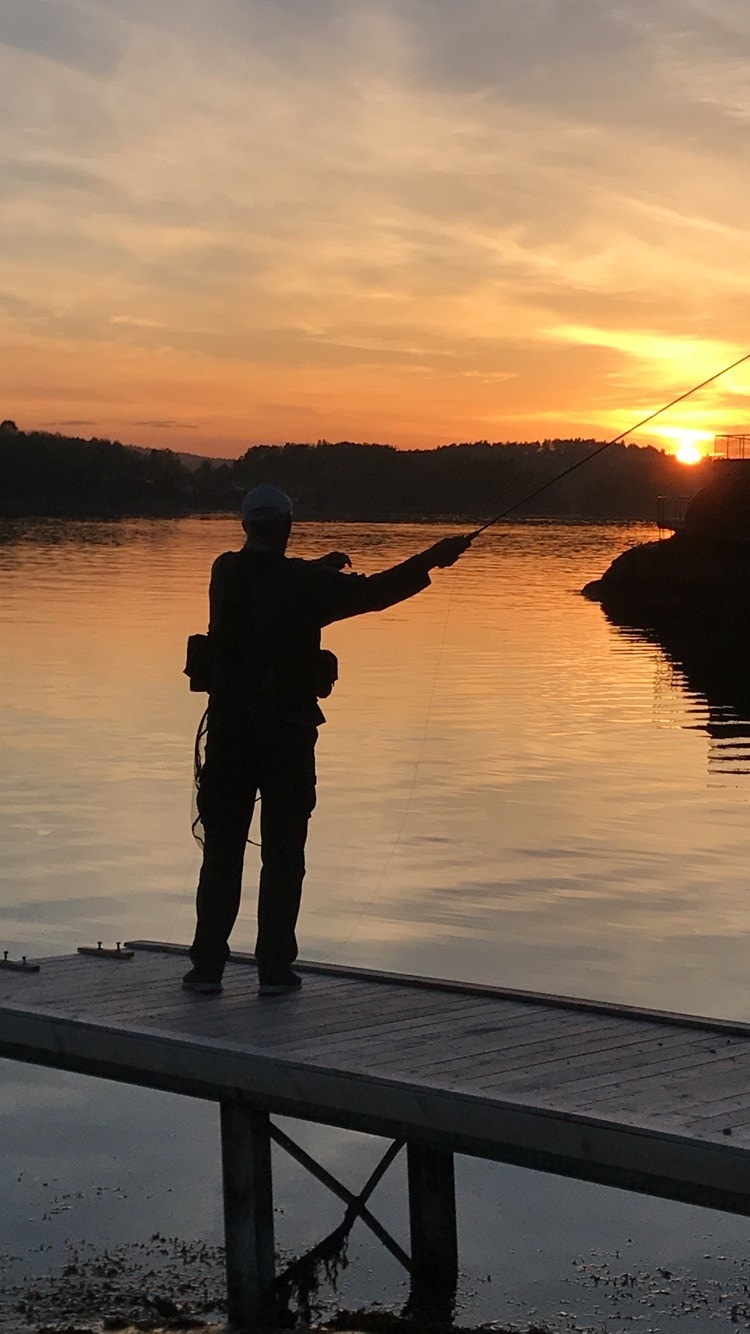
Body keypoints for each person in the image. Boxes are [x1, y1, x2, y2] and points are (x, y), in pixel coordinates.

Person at [183, 484, 473, 997]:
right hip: (285, 736)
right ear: (288, 525)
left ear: (246, 527)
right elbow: (375, 594)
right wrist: (433, 557)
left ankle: (207, 969)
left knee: (222, 851)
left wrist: (321, 566)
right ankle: (273, 971)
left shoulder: (223, 571)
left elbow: (271, 581)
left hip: (228, 733)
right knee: (284, 853)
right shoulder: (305, 585)